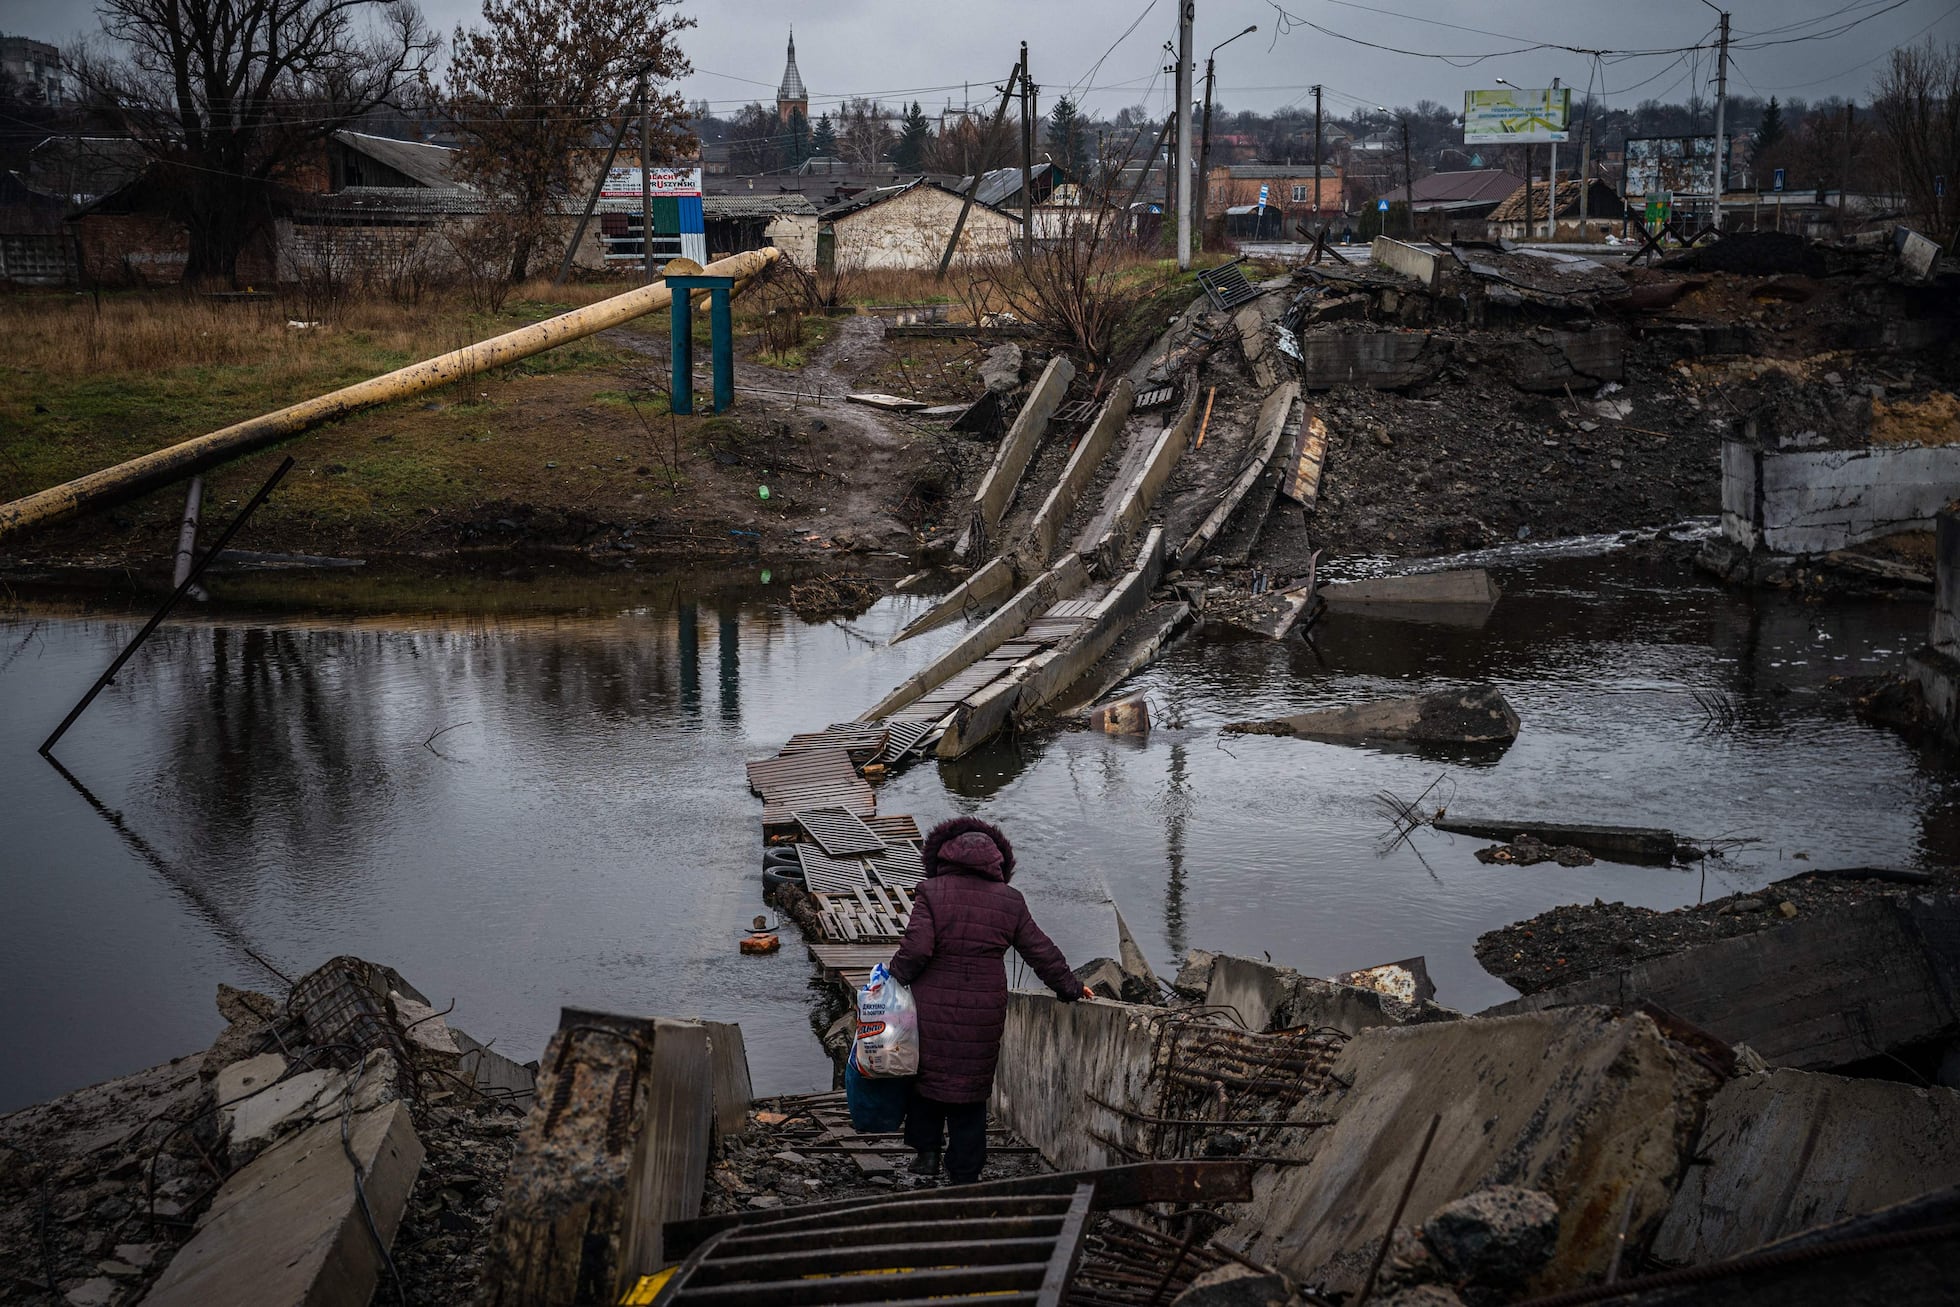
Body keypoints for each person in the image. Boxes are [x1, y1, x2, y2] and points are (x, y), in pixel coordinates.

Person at [887, 816, 1091, 1183]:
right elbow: (1039, 950)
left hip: (932, 1006)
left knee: (926, 1078)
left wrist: (893, 977)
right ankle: (965, 1171)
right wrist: (1071, 987)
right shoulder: (1010, 901)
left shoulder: (931, 891)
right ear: (999, 861)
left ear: (942, 856)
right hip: (984, 1010)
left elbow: (917, 949)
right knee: (971, 1085)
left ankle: (928, 1155)